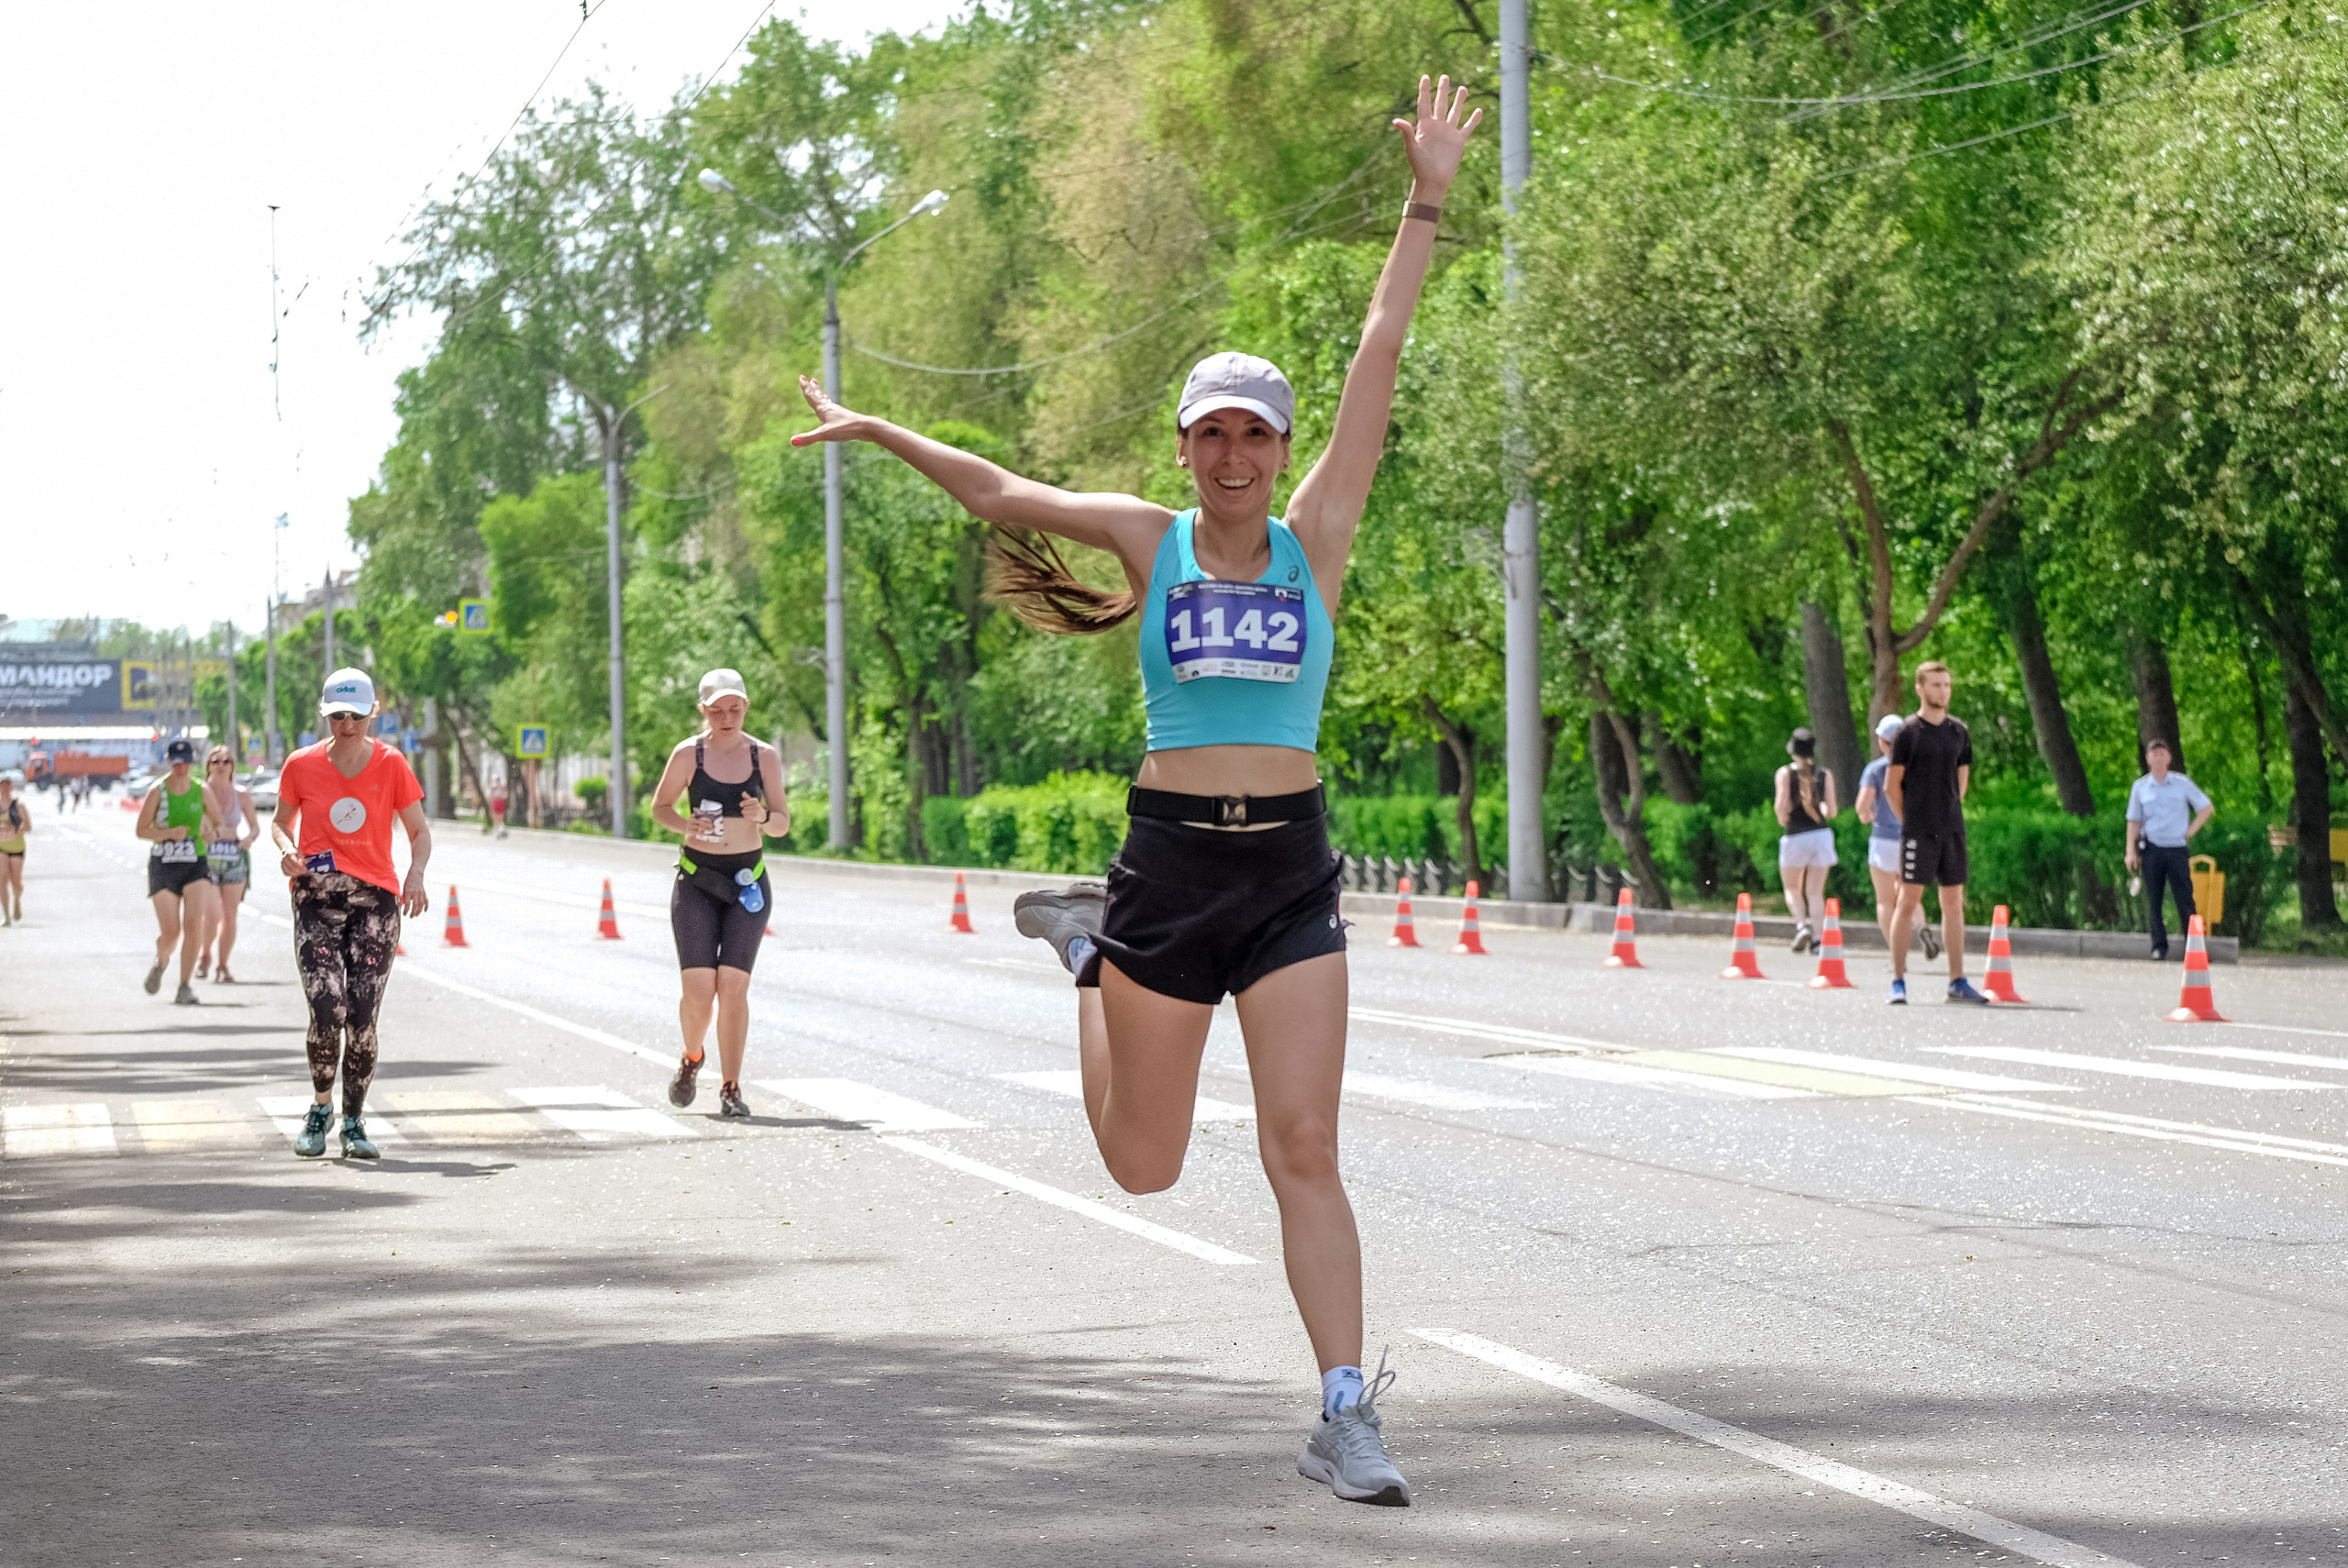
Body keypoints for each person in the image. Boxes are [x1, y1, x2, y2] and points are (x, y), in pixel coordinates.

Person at [790, 74, 1478, 1507]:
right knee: (1147, 1167)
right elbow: (999, 491)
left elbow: (1382, 348)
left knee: (1305, 1146)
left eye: (1257, 435)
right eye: (1213, 433)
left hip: (1289, 871)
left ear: (1283, 452)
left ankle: (1346, 1407)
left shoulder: (1317, 536)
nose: (1236, 456)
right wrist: (874, 431)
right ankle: (1091, 951)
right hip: (1168, 866)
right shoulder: (1151, 537)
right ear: (1183, 448)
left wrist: (1426, 203)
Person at [270, 668, 432, 1160]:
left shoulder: (391, 763)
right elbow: (280, 823)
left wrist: (415, 876)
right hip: (316, 895)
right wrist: (287, 850)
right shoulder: (300, 765)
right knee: (327, 1007)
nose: (347, 724)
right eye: (338, 715)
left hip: (375, 900)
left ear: (372, 713)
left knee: (362, 1017)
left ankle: (355, 1122)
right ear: (326, 715)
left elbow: (419, 833)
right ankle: (320, 1110)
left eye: (356, 715)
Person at [648, 668, 791, 1121]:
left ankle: (731, 1087)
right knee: (698, 990)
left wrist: (763, 816)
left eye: (734, 708)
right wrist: (685, 824)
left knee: (733, 987)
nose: (726, 717)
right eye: (716, 710)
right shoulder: (689, 754)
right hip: (697, 881)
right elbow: (661, 807)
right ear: (703, 711)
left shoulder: (762, 756)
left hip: (748, 882)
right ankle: (693, 1058)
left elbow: (784, 821)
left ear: (746, 707)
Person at [1885, 661, 1988, 1006]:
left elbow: (1961, 783)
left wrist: (1949, 813)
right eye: (1936, 685)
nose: (1943, 691)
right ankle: (1898, 980)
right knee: (1908, 902)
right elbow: (1891, 787)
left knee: (1953, 903)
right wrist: (1910, 821)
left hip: (1952, 831)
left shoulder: (1959, 732)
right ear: (1920, 688)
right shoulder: (1908, 733)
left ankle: (1957, 982)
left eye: (1947, 685)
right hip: (1918, 832)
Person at [136, 737, 221, 1005]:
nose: (181, 768)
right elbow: (141, 830)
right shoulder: (157, 791)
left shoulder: (202, 790)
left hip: (196, 862)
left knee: (194, 924)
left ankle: (184, 985)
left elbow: (219, 824)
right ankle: (161, 961)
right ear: (169, 762)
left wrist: (211, 834)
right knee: (171, 932)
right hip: (164, 865)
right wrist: (168, 834)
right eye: (176, 763)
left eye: (185, 763)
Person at [1855, 714, 1941, 963]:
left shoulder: (1875, 770)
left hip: (1883, 841)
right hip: (1913, 839)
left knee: (1885, 901)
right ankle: (1921, 925)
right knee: (1908, 894)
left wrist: (1868, 815)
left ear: (1882, 742)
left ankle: (1897, 953)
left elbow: (1863, 807)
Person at [2124, 738, 2213, 959]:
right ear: (2147, 759)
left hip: (2176, 848)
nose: (2158, 757)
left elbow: (2206, 807)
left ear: (2169, 757)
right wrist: (2130, 851)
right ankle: (2159, 947)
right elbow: (2133, 820)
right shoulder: (2141, 787)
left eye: (2162, 753)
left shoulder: (2182, 783)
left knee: (2185, 899)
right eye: (2154, 754)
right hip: (2151, 848)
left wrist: (2190, 831)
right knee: (2154, 900)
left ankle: (2193, 948)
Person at [1772, 728, 1840, 953]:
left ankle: (1802, 926)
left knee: (1792, 888)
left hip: (1795, 836)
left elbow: (1781, 806)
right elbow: (1832, 811)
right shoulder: (1824, 774)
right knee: (1815, 891)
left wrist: (1783, 819)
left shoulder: (1784, 774)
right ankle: (1819, 939)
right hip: (1821, 836)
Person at [196, 745, 260, 982]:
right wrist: (202, 832)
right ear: (208, 766)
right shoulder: (201, 792)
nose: (221, 766)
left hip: (234, 858)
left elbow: (255, 826)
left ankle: (223, 965)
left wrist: (249, 839)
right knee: (212, 913)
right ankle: (205, 954)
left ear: (233, 766)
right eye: (215, 761)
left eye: (226, 761)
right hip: (208, 858)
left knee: (230, 914)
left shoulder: (241, 794)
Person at [0, 770, 28, 925]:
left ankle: (17, 901)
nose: (4, 788)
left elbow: (28, 826)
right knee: (2, 878)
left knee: (16, 882)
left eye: (7, 785)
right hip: (1, 847)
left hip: (17, 846)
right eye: (2, 785)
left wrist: (15, 832)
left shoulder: (18, 805)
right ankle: (6, 915)